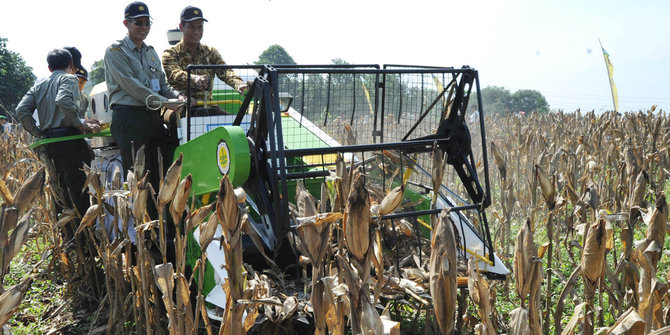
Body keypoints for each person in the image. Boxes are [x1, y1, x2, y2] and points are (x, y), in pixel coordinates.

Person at [15, 48, 101, 236]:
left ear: (49, 67)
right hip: (69, 141)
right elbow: (63, 100)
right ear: (72, 66)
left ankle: (68, 236)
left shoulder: (39, 85)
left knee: (60, 189)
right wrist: (80, 124)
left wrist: (38, 132)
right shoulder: (69, 78)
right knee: (80, 189)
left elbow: (21, 110)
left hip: (51, 143)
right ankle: (86, 237)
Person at [104, 1, 185, 195]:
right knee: (139, 180)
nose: (144, 27)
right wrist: (164, 103)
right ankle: (146, 224)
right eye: (138, 22)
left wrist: (178, 97)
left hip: (152, 118)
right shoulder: (116, 51)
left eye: (147, 23)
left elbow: (163, 85)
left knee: (160, 175)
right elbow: (132, 86)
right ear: (126, 23)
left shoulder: (151, 53)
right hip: (129, 119)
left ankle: (162, 223)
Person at [162, 5, 248, 116]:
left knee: (232, 123)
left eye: (200, 27)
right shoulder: (170, 53)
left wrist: (239, 84)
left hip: (208, 106)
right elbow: (174, 73)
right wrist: (193, 78)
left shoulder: (211, 52)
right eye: (192, 27)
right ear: (181, 27)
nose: (197, 32)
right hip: (179, 106)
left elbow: (225, 71)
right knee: (179, 121)